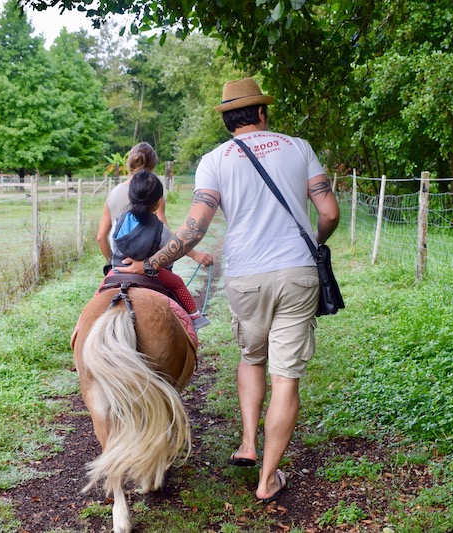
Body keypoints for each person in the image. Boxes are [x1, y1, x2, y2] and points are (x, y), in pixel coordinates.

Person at [119, 77, 340, 503]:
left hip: (245, 276)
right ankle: (267, 480)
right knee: (286, 377)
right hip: (297, 272)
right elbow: (328, 211)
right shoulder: (299, 148)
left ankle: (248, 443)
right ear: (262, 112)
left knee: (251, 356)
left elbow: (195, 227)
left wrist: (152, 263)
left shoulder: (215, 159)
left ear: (227, 121)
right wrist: (314, 240)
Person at [109, 169, 210, 329]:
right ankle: (195, 316)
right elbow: (167, 257)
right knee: (177, 283)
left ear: (130, 196)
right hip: (151, 272)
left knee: (102, 289)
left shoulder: (118, 222)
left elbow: (112, 244)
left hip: (119, 270)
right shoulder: (160, 228)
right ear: (158, 202)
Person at [96, 142, 211, 272]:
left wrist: (116, 264)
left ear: (130, 163)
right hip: (148, 268)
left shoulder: (113, 194)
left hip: (119, 268)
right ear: (152, 166)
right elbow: (165, 234)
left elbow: (101, 237)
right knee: (176, 284)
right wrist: (194, 254)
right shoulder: (153, 194)